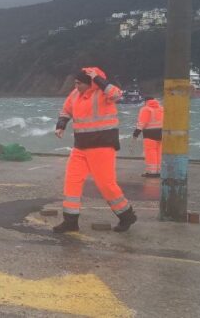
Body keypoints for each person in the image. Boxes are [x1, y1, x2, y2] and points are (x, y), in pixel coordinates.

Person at [53, 67, 137, 233]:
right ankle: (70, 221)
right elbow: (66, 110)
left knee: (106, 185)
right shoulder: (74, 94)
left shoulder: (103, 92)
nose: (75, 86)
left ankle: (126, 215)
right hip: (80, 147)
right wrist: (61, 125)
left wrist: (98, 79)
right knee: (72, 182)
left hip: (102, 146)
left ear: (90, 83)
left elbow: (117, 95)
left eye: (79, 83)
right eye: (75, 83)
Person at [133, 96, 164, 178]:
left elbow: (142, 123)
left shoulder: (146, 109)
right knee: (159, 152)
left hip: (150, 134)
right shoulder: (161, 108)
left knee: (151, 152)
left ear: (146, 101)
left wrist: (136, 133)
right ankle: (159, 171)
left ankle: (151, 172)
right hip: (161, 134)